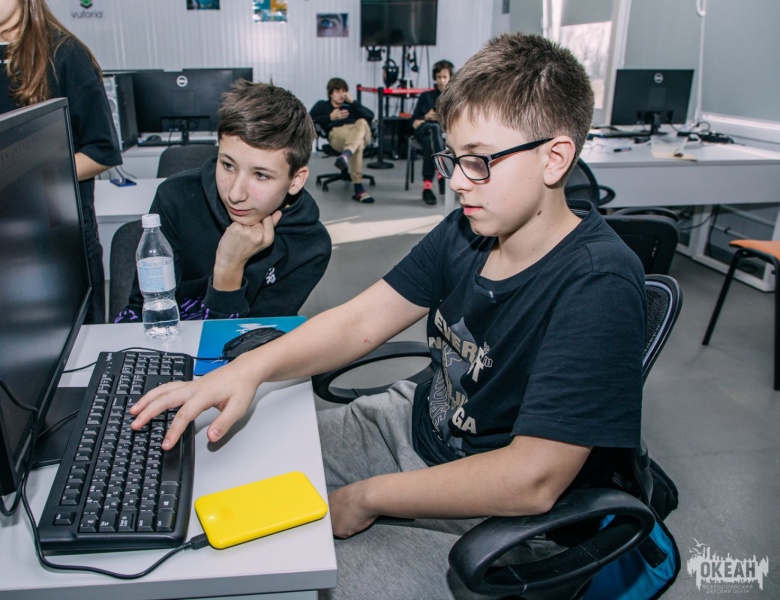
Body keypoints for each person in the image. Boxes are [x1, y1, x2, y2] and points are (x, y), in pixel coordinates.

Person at [130, 33, 645, 599]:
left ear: (555, 158)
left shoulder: (598, 283)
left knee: (298, 576)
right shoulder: (467, 232)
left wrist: (366, 497)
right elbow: (359, 321)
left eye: (478, 161)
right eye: (453, 159)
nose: (456, 181)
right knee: (228, 467)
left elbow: (532, 479)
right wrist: (245, 371)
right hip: (411, 427)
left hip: (498, 517)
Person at [0, 0, 121, 324]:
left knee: (79, 339)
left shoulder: (65, 54)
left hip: (58, 231)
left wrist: (23, 180)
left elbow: (102, 152)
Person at [115, 79, 331, 322]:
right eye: (228, 165)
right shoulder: (175, 198)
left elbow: (253, 337)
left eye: (261, 175)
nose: (235, 195)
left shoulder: (310, 246)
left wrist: (229, 266)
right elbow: (142, 313)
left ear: (296, 180)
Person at [310, 78, 375, 204]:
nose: (341, 94)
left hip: (358, 131)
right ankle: (358, 188)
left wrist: (353, 102)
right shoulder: (322, 105)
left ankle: (346, 155)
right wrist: (330, 117)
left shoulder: (352, 105)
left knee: (362, 122)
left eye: (344, 91)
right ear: (330, 93)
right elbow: (307, 120)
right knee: (358, 144)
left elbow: (370, 116)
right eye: (338, 91)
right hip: (337, 133)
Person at [412, 59, 454, 205]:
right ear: (434, 78)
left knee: (429, 142)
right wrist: (426, 117)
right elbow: (414, 120)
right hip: (424, 129)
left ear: (450, 77)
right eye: (438, 77)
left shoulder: (454, 98)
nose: (441, 81)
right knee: (433, 129)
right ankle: (441, 171)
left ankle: (427, 187)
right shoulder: (426, 96)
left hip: (441, 134)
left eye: (444, 77)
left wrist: (442, 118)